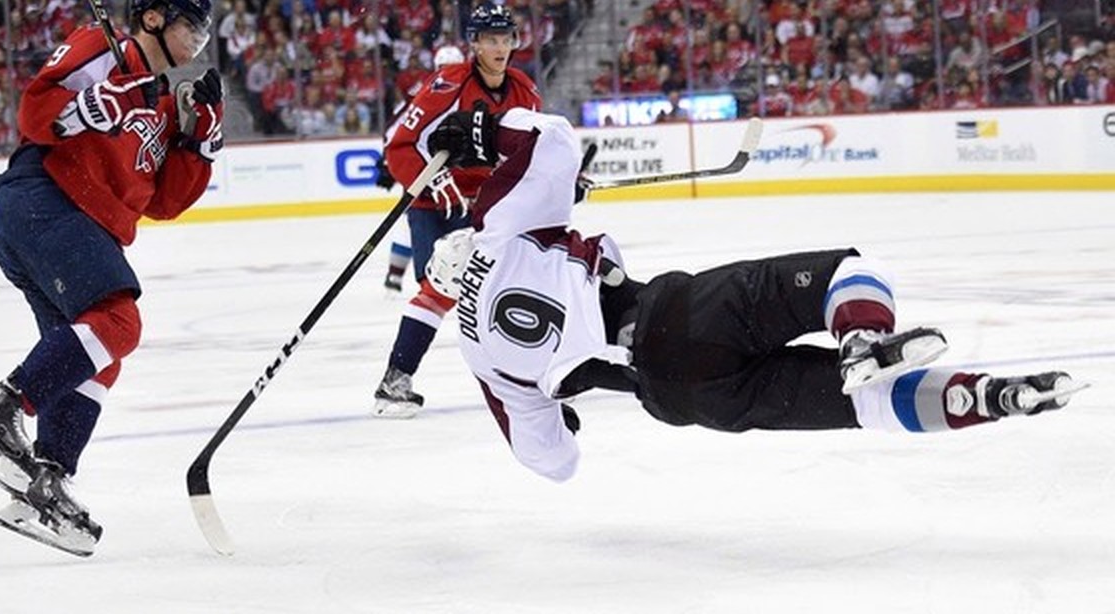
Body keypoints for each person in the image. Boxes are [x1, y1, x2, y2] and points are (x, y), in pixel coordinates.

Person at [422, 106, 1085, 482]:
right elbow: (554, 143)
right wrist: (483, 128)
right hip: (681, 315)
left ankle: (992, 399)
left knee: (868, 407)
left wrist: (559, 412)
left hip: (682, 399)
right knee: (849, 272)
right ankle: (860, 339)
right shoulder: (499, 231)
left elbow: (552, 463)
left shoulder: (479, 357)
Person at [0, 0, 220, 556]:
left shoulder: (160, 100)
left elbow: (160, 201)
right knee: (119, 321)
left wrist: (198, 142)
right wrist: (98, 102)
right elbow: (35, 112)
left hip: (77, 223)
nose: (200, 40)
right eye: (192, 24)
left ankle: (46, 483)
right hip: (44, 201)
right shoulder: (103, 46)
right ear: (155, 18)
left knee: (101, 354)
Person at [371, 2, 541, 418]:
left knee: (517, 281)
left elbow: (531, 154)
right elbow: (399, 145)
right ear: (475, 43)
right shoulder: (449, 84)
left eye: (506, 38)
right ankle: (395, 380)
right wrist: (433, 178)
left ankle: (530, 377)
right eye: (491, 39)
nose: (500, 47)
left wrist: (561, 179)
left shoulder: (525, 91)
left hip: (485, 206)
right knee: (441, 286)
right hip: (436, 202)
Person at [377, 45, 466, 294]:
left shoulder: (470, 95)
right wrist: (387, 164)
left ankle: (459, 284)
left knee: (462, 238)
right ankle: (398, 278)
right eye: (443, 69)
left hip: (460, 184)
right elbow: (396, 133)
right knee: (415, 226)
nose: (448, 74)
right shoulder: (425, 96)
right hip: (426, 182)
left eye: (453, 69)